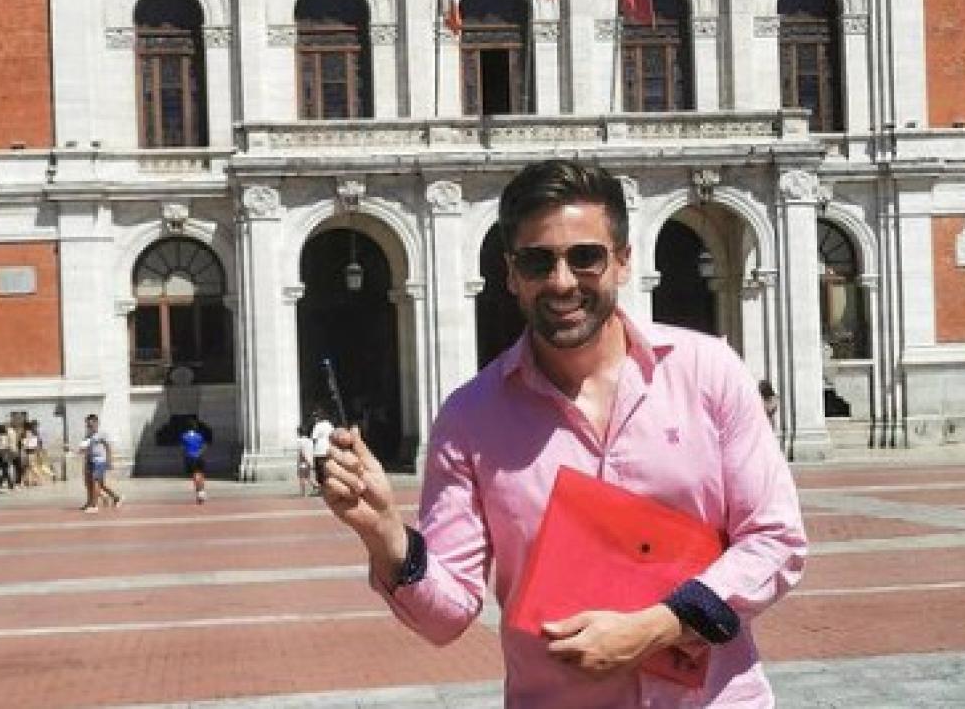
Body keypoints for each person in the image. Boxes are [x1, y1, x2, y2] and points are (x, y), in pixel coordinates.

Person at [324, 159, 806, 707]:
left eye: (586, 257)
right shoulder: (468, 419)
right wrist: (385, 536)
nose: (562, 281)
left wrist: (659, 625)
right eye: (537, 261)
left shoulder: (709, 371)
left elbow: (775, 539)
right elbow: (448, 617)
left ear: (622, 262)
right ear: (510, 273)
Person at [78, 414, 122, 512]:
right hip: (90, 461)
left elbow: (108, 447)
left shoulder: (102, 434)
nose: (89, 427)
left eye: (91, 425)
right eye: (87, 425)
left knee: (95, 482)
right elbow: (83, 449)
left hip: (99, 461)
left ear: (97, 423)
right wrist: (81, 451)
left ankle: (94, 505)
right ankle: (116, 498)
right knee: (95, 484)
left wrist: (109, 461)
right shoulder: (87, 436)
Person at [180, 419, 209, 505]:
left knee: (195, 475)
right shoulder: (199, 436)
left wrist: (186, 454)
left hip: (190, 457)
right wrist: (199, 452)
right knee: (201, 474)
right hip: (199, 456)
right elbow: (204, 446)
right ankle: (202, 491)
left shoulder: (184, 436)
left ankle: (199, 493)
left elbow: (182, 448)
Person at [309, 409, 334, 493]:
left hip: (319, 451)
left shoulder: (318, 425)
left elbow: (314, 439)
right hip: (328, 449)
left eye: (315, 416)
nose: (314, 418)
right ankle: (329, 487)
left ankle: (322, 488)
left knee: (320, 471)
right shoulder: (329, 424)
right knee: (328, 469)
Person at [0, 423, 19, 491]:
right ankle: (9, 484)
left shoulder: (7, 435)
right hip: (4, 454)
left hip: (6, 454)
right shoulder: (4, 435)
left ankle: (0, 484)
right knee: (2, 470)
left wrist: (4, 453)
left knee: (1, 470)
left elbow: (6, 446)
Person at [296, 425, 317, 496]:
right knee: (308, 477)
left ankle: (303, 493)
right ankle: (317, 486)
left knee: (302, 477)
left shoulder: (299, 441)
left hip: (303, 461)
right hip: (309, 460)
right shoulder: (310, 441)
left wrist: (301, 461)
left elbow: (301, 451)